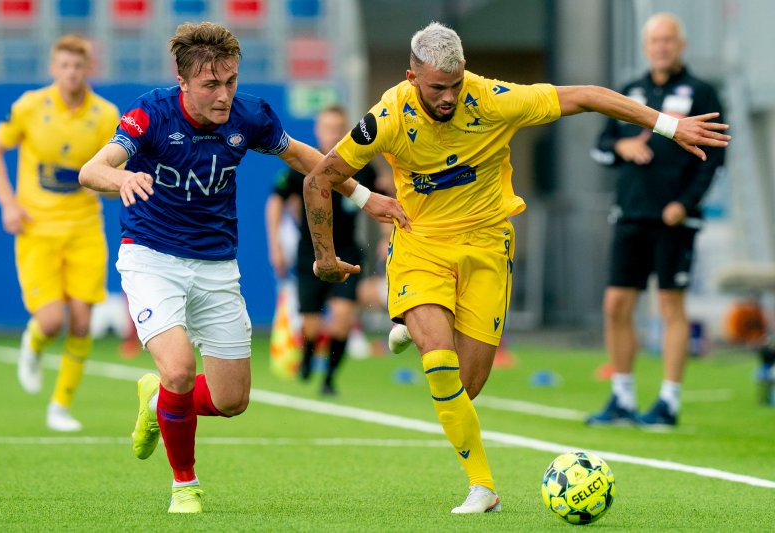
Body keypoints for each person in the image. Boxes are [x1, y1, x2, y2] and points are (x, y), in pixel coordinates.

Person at [301, 21, 729, 514]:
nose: (449, 97)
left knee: (469, 384)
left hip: (487, 245)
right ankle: (483, 487)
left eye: (456, 84)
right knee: (439, 362)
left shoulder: (493, 99)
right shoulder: (389, 115)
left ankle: (412, 325)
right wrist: (327, 253)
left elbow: (588, 95)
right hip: (421, 246)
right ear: (412, 76)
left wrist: (671, 126)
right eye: (438, 88)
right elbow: (320, 177)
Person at [78, 22, 406, 514]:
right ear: (183, 80)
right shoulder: (151, 112)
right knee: (181, 369)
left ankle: (156, 400)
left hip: (216, 265)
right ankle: (184, 484)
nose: (224, 94)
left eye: (230, 80)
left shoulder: (251, 115)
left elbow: (305, 158)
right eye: (211, 84)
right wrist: (118, 179)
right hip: (151, 257)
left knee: (232, 400)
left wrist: (362, 195)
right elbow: (92, 169)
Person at [586, 13, 726, 428]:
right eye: (655, 40)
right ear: (647, 47)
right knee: (616, 305)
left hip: (674, 219)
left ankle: (668, 401)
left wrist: (685, 203)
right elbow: (602, 146)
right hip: (630, 213)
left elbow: (716, 155)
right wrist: (624, 146)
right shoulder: (631, 91)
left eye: (669, 40)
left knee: (669, 304)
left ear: (680, 45)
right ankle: (622, 397)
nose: (662, 46)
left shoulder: (701, 93)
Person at [0, 35, 120, 432]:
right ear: (53, 68)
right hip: (37, 228)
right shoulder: (28, 107)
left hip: (84, 228)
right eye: (64, 65)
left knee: (80, 322)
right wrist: (9, 203)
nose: (71, 73)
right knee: (52, 321)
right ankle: (34, 343)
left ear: (87, 69)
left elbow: (109, 180)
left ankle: (60, 406)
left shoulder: (105, 114)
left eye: (78, 66)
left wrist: (115, 187)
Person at [265, 105, 379, 395]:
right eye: (327, 128)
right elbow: (275, 200)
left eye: (337, 128)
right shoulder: (305, 164)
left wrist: (388, 238)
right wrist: (275, 245)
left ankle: (328, 379)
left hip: (348, 250)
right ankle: (308, 353)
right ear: (318, 131)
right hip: (310, 252)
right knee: (312, 326)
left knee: (341, 319)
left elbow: (384, 200)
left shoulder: (362, 167)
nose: (332, 134)